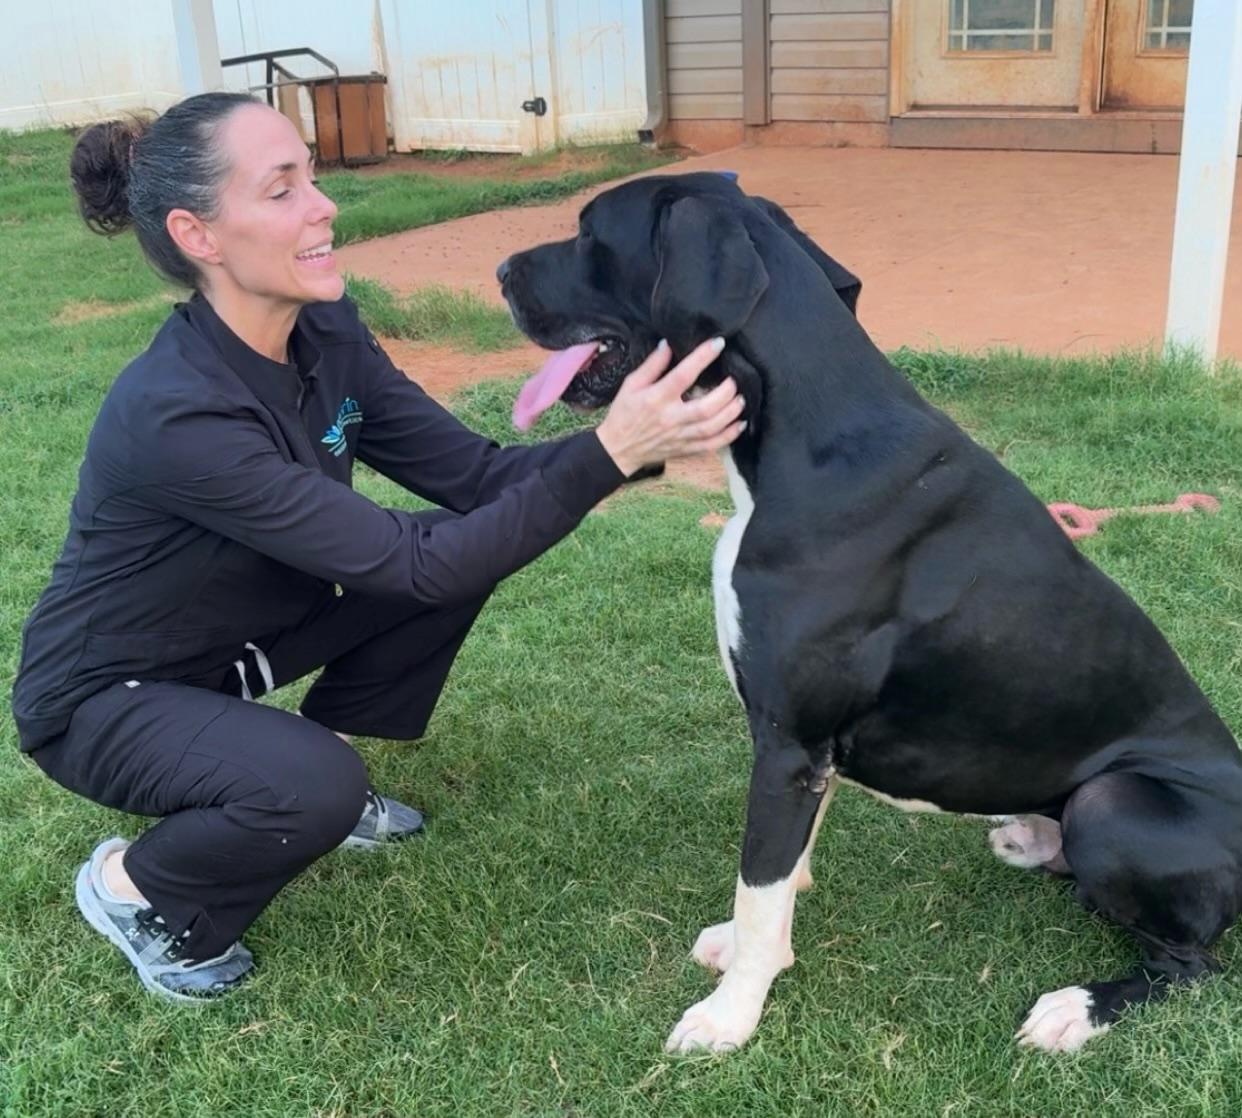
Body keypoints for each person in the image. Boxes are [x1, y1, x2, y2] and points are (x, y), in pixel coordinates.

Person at [11, 92, 746, 1002]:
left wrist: (643, 444)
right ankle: (137, 889)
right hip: (103, 698)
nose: (323, 207)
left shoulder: (323, 331)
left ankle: (276, 763)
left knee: (458, 539)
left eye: (311, 178)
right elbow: (414, 568)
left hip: (239, 647)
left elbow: (476, 480)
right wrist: (610, 452)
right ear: (198, 235)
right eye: (283, 191)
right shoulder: (180, 412)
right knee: (315, 781)